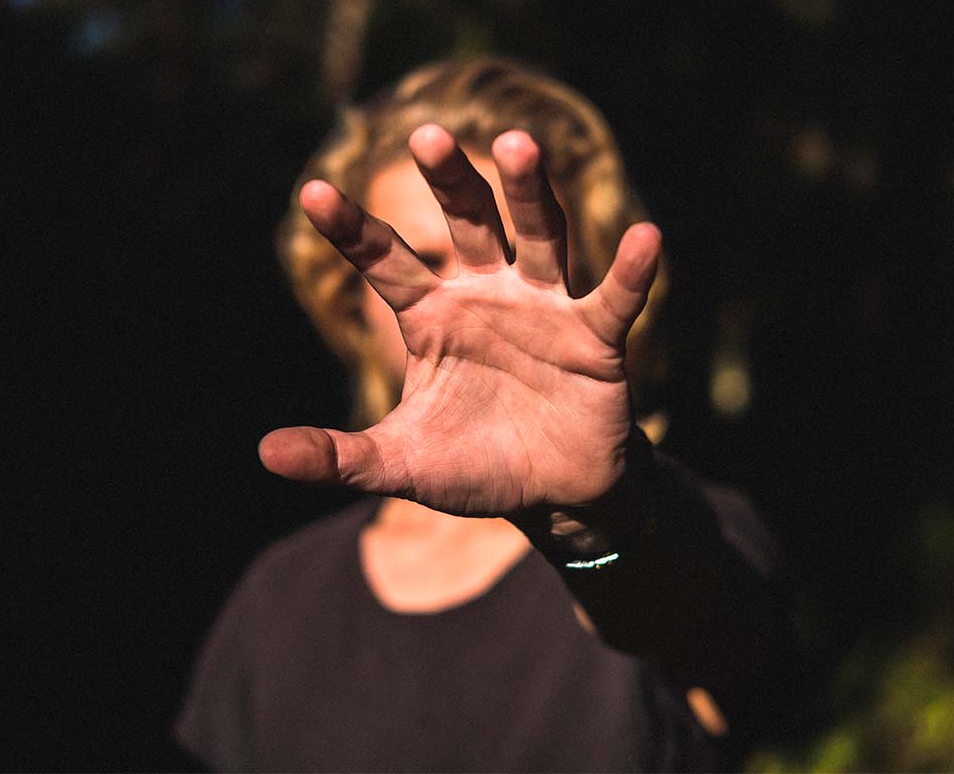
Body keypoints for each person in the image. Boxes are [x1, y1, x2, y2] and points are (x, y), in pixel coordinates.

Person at [176, 58, 777, 772]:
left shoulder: (672, 528)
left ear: (584, 266)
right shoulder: (281, 597)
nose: (470, 305)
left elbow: (678, 619)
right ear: (354, 301)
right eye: (423, 259)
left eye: (505, 256)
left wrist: (592, 528)